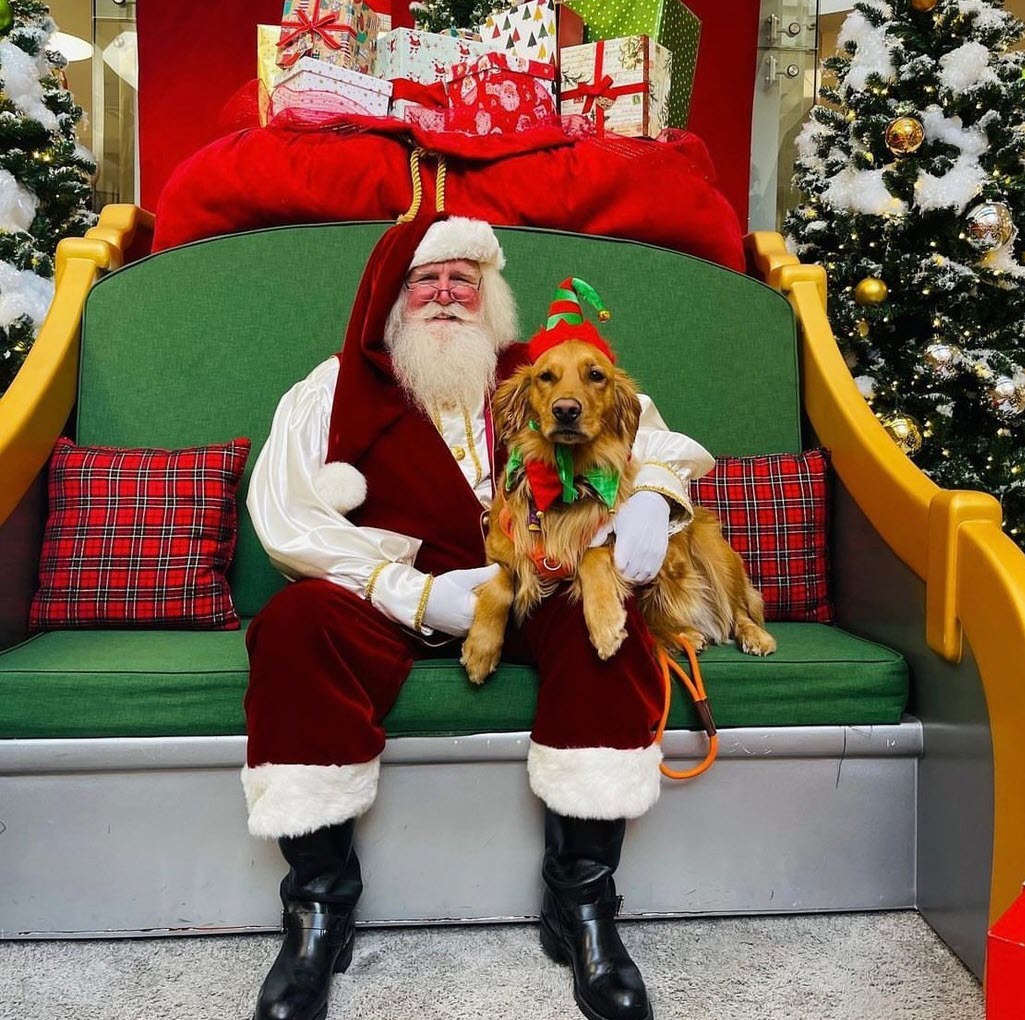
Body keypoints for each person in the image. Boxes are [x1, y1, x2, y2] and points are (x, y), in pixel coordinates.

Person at [243, 215, 715, 1020]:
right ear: (394, 301)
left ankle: (582, 907)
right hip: (394, 597)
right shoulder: (332, 389)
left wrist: (652, 501)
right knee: (292, 624)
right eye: (426, 282)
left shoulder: (551, 372)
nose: (445, 295)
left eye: (464, 280)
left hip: (535, 582)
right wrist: (413, 592)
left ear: (490, 295)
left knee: (609, 624)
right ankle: (317, 912)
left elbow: (654, 437)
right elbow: (286, 517)